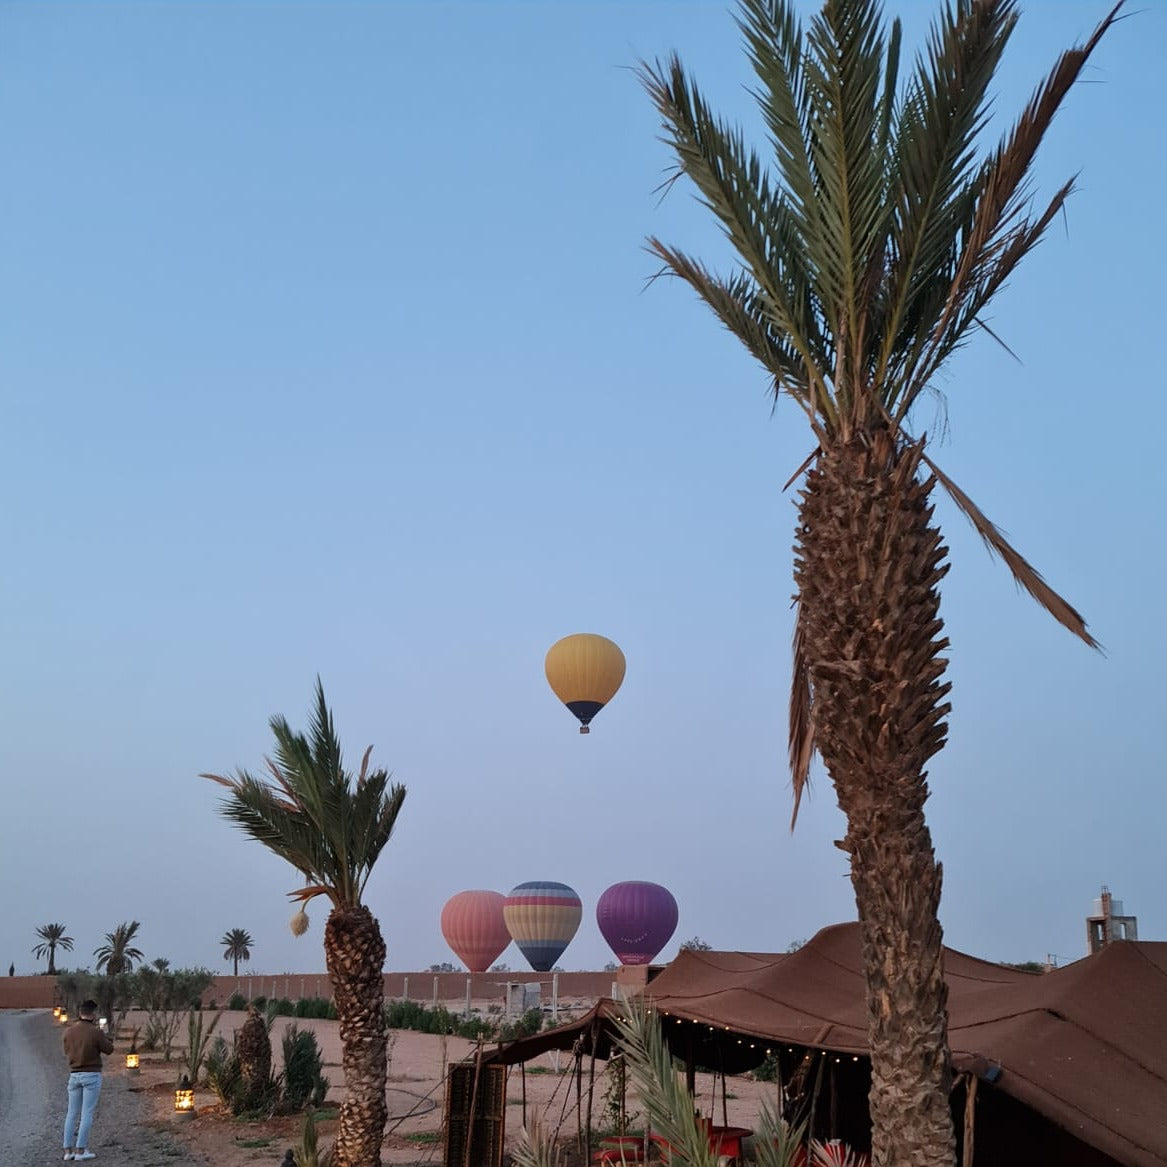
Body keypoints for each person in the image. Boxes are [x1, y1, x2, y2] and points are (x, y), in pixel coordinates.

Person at [61, 998, 114, 1161]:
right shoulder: (96, 1032)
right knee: (87, 1113)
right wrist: (106, 1034)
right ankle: (81, 1150)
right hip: (91, 1074)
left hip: (74, 1074)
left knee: (71, 1113)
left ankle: (67, 1151)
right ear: (93, 1014)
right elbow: (109, 1050)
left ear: (80, 1012)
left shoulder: (68, 1032)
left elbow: (66, 1051)